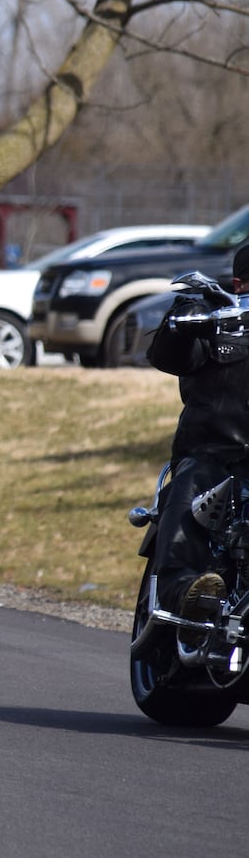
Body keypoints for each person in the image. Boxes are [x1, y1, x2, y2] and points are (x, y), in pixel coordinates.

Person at [145, 241, 249, 630]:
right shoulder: (216, 313)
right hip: (217, 452)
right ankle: (184, 588)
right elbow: (168, 356)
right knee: (193, 483)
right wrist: (188, 318)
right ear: (240, 285)